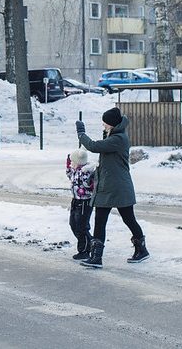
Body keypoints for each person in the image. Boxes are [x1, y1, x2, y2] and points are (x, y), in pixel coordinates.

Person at [75, 107, 149, 268]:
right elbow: (102, 145)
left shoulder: (118, 139)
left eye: (105, 124)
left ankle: (140, 250)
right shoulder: (115, 136)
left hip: (117, 187)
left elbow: (95, 146)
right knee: (101, 220)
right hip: (110, 186)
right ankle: (96, 257)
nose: (103, 127)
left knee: (128, 219)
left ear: (112, 125)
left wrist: (81, 134)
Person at [66, 148, 95, 260]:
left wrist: (86, 187)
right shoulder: (75, 170)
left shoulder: (86, 172)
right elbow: (69, 173)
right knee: (73, 224)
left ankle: (85, 249)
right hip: (75, 200)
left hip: (85, 202)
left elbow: (89, 185)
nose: (71, 163)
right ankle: (90, 243)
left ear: (78, 162)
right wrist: (68, 162)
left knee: (81, 226)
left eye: (73, 161)